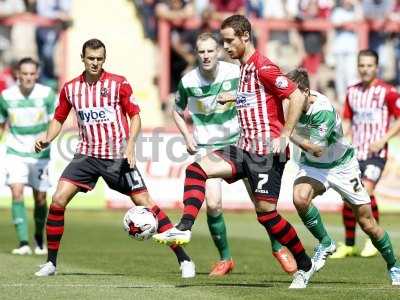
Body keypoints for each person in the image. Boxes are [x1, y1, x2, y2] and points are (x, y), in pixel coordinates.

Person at [154, 15, 317, 289]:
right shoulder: (243, 69)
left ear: (245, 37)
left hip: (266, 154)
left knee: (266, 215)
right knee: (196, 169)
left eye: (229, 40)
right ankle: (183, 227)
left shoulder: (264, 66)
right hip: (243, 149)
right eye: (223, 41)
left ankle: (304, 264)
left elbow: (296, 96)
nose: (226, 46)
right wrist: (234, 98)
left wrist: (285, 134)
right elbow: (258, 98)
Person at [33, 38, 195, 278]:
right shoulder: (71, 88)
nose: (95, 63)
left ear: (104, 59)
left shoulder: (118, 83)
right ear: (83, 58)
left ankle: (184, 260)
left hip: (116, 156)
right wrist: (47, 137)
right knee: (57, 200)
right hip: (85, 155)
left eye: (99, 59)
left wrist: (130, 146)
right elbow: (59, 117)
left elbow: (135, 116)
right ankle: (51, 263)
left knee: (146, 203)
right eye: (91, 59)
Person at [173, 32, 296, 276]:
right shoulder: (188, 82)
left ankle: (278, 247)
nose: (206, 56)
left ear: (218, 51)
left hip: (242, 143)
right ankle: (225, 259)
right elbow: (176, 110)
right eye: (201, 51)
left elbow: (258, 96)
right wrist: (188, 137)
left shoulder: (236, 72)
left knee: (262, 205)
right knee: (214, 204)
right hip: (209, 147)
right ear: (196, 54)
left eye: (210, 51)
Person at [286, 67, 400, 285]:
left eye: (292, 95)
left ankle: (394, 265)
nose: (287, 100)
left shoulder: (323, 110)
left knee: (367, 223)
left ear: (306, 91)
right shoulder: (287, 100)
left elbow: (317, 149)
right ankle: (326, 242)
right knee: (299, 197)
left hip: (342, 166)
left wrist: (287, 132)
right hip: (313, 167)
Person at [332, 49, 400, 259]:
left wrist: (383, 139)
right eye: (362, 65)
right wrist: (341, 139)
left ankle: (372, 239)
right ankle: (350, 244)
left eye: (369, 65)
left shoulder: (388, 92)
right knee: (347, 197)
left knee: (365, 193)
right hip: (355, 154)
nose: (365, 69)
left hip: (376, 153)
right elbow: (347, 120)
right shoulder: (352, 91)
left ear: (376, 67)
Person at [0, 57, 53, 256]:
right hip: (15, 151)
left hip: (40, 153)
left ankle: (39, 237)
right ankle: (22, 242)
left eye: (32, 74)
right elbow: (1, 123)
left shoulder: (47, 94)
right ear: (17, 75)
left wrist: (46, 138)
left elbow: (54, 122)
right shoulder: (6, 96)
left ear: (37, 75)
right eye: (25, 74)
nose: (28, 77)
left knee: (40, 198)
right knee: (16, 192)